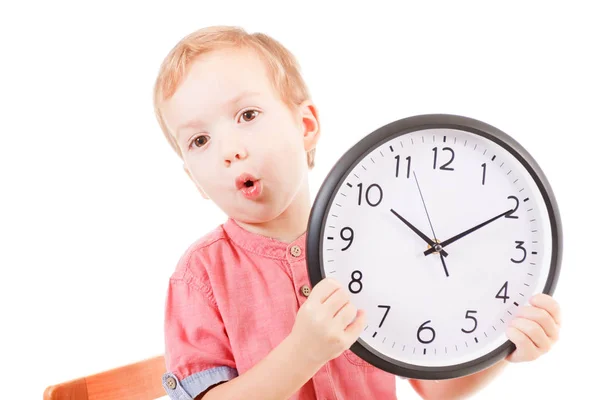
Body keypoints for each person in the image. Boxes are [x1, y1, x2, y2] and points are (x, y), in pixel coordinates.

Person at [152, 25, 562, 400]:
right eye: (200, 140)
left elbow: (436, 390)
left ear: (306, 125)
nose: (229, 150)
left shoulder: (370, 240)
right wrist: (303, 353)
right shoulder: (200, 275)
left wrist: (508, 348)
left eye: (247, 115)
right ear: (193, 179)